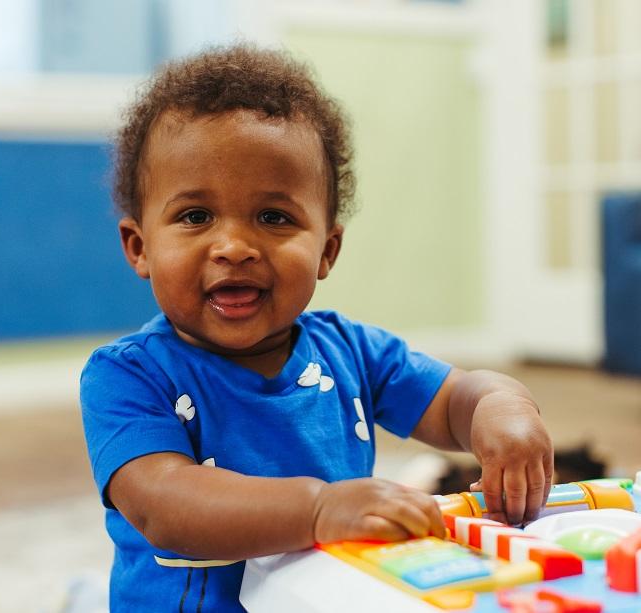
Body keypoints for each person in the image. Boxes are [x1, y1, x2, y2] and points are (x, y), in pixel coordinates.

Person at [80, 44, 554, 612]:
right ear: (140, 247)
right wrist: (318, 510)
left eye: (274, 217)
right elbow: (164, 504)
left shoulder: (352, 351)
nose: (233, 247)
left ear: (327, 249)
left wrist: (503, 407)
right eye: (195, 216)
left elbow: (454, 398)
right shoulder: (127, 376)